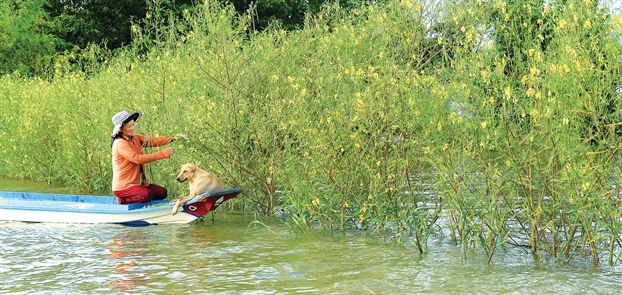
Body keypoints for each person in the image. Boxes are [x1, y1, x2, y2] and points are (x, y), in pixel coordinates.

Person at [110, 110, 186, 204]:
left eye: (133, 125)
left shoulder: (135, 138)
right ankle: (123, 200)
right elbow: (137, 158)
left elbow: (153, 141)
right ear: (121, 129)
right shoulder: (119, 143)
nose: (133, 128)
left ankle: (142, 200)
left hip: (139, 184)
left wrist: (174, 137)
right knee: (146, 195)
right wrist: (162, 154)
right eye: (129, 126)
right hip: (124, 187)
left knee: (162, 193)